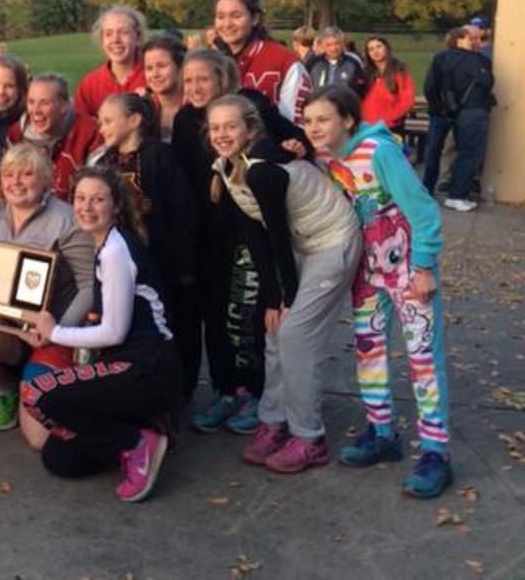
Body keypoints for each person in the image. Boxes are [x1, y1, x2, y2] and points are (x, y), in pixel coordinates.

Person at [303, 85, 452, 498]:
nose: (314, 128)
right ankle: (382, 431)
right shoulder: (327, 159)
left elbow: (423, 212)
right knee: (369, 353)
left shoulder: (380, 152)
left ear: (347, 119)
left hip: (408, 271)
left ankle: (437, 451)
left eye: (323, 119)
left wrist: (423, 266)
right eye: (309, 120)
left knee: (422, 358)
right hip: (366, 275)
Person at [206, 94, 360, 473]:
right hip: (302, 243)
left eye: (231, 126)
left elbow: (275, 235)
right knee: (274, 329)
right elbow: (255, 237)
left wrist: (286, 296)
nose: (222, 134)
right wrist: (273, 300)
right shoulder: (227, 169)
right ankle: (273, 420)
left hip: (333, 241)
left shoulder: (263, 169)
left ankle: (310, 436)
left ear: (250, 129)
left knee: (295, 335)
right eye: (215, 127)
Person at [20, 168, 181, 502]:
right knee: (59, 458)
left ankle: (138, 444)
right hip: (131, 366)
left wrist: (55, 332)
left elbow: (113, 331)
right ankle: (151, 425)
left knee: (37, 394)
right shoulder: (104, 245)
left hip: (148, 369)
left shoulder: (114, 252)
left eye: (98, 199)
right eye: (80, 198)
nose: (86, 207)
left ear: (116, 206)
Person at [171, 49, 312, 425]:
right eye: (188, 80)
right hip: (209, 234)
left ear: (223, 79)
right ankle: (225, 389)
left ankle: (253, 389)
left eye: (203, 78)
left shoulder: (249, 107)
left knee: (246, 311)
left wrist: (295, 147)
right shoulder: (187, 121)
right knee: (215, 314)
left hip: (250, 227)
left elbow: (292, 140)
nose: (195, 86)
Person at [0, 144, 94, 445]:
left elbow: (89, 286)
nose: (17, 182)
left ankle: (38, 379)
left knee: (40, 440)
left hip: (49, 330)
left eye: (27, 174)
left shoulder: (66, 220)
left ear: (46, 180)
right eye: (9, 175)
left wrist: (59, 331)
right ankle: (9, 389)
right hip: (5, 327)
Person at [90, 93, 196, 395]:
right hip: (124, 264)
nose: (102, 127)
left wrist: (185, 264)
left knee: (171, 325)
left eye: (109, 120)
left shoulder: (159, 156)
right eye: (100, 121)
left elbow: (181, 210)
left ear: (135, 120)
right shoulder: (106, 161)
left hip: (164, 262)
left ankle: (177, 390)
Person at [422, 26, 496, 212]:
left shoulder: (441, 58)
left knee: (436, 151)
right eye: (471, 38)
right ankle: (457, 195)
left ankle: (427, 190)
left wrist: (438, 107)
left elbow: (430, 86)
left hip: (443, 111)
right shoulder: (476, 60)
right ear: (459, 40)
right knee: (468, 152)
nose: (475, 41)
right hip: (469, 110)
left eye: (477, 38)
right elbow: (487, 82)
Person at [212, 0, 311, 123]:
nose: (227, 24)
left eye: (236, 16)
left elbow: (297, 124)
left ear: (255, 19)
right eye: (220, 17)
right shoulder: (210, 63)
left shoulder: (284, 61)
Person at [7, 73, 103, 201]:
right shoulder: (16, 135)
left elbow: (98, 188)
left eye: (44, 103)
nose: (35, 111)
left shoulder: (89, 132)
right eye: (31, 102)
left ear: (63, 106)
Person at [74, 6, 147, 119]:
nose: (115, 40)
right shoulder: (90, 83)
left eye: (124, 32)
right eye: (108, 34)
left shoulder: (152, 77)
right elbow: (81, 127)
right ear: (102, 41)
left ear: (137, 37)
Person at [361, 36, 415, 134]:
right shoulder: (365, 73)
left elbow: (407, 100)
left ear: (386, 48)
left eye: (379, 47)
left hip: (391, 126)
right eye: (371, 49)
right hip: (367, 126)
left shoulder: (399, 72)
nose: (375, 51)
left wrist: (390, 118)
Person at [141, 34, 187, 142]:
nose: (155, 74)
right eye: (149, 68)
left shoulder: (196, 108)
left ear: (180, 67)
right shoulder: (142, 110)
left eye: (162, 66)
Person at [307, 27, 367, 97]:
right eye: (329, 45)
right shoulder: (313, 62)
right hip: (318, 104)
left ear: (343, 44)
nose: (333, 48)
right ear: (323, 45)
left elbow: (360, 91)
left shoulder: (353, 63)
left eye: (337, 43)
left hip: (344, 105)